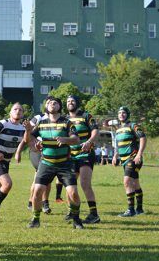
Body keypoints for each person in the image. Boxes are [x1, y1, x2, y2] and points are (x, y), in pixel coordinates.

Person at [24, 97, 83, 229]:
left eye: (55, 103)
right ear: (46, 106)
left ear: (59, 107)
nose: (52, 104)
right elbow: (29, 139)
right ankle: (35, 219)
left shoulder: (67, 123)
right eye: (49, 103)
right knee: (37, 191)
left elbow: (76, 139)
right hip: (46, 163)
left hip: (65, 164)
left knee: (73, 192)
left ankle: (76, 218)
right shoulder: (41, 123)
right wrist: (29, 134)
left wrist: (66, 139)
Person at [66, 95, 100, 224]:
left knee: (85, 184)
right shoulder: (65, 119)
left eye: (72, 101)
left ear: (77, 103)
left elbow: (95, 130)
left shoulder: (86, 116)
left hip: (85, 154)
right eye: (68, 101)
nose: (70, 103)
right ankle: (71, 211)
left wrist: (90, 142)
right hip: (70, 156)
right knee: (69, 185)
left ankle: (94, 214)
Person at [112, 106, 147, 217]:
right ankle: (140, 209)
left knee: (127, 181)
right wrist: (115, 156)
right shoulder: (117, 130)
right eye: (119, 113)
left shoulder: (133, 126)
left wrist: (139, 154)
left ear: (127, 114)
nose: (121, 114)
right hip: (123, 160)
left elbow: (143, 138)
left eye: (123, 113)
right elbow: (117, 145)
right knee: (135, 182)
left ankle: (130, 210)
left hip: (133, 158)